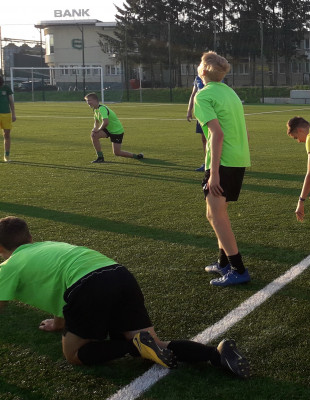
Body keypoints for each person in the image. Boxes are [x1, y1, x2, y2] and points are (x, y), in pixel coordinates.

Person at [0, 216, 249, 378]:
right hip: (119, 274)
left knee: (73, 355)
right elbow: (60, 280)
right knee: (154, 345)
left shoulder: (8, 267)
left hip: (88, 287)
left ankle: (134, 345)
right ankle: (215, 355)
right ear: (30, 238)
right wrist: (59, 323)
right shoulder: (48, 246)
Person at [195, 51, 252, 286]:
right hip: (237, 159)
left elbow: (217, 134)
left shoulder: (204, 95)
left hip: (224, 162)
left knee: (216, 216)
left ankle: (238, 269)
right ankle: (224, 263)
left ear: (204, 71)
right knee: (216, 213)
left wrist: (214, 174)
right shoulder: (230, 92)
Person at [85, 92, 144, 163]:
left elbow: (106, 122)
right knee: (94, 136)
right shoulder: (95, 109)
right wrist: (94, 129)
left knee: (117, 153)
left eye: (89, 100)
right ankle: (100, 157)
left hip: (117, 131)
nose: (87, 102)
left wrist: (99, 130)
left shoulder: (102, 108)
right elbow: (96, 122)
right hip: (108, 129)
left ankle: (136, 156)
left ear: (95, 100)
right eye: (87, 101)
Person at [187, 75, 207, 171]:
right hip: (201, 113)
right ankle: (207, 163)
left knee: (214, 139)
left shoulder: (216, 75)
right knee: (204, 139)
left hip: (213, 112)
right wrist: (189, 110)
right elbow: (193, 94)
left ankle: (218, 163)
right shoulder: (198, 78)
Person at [0, 76, 16, 162]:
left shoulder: (6, 88)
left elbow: (11, 102)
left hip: (6, 114)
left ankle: (6, 156)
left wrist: (13, 114)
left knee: (6, 135)